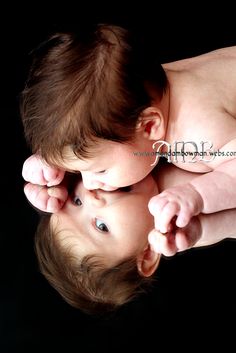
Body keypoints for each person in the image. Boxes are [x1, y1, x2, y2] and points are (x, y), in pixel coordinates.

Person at [20, 24, 236, 241]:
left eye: (100, 170)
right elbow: (89, 126)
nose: (88, 184)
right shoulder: (134, 90)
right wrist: (56, 156)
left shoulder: (197, 135)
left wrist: (196, 195)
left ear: (149, 126)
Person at [23, 158, 236, 314]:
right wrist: (203, 228)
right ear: (147, 255)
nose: (91, 196)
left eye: (77, 201)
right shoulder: (186, 222)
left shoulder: (115, 157)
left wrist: (54, 160)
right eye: (101, 226)